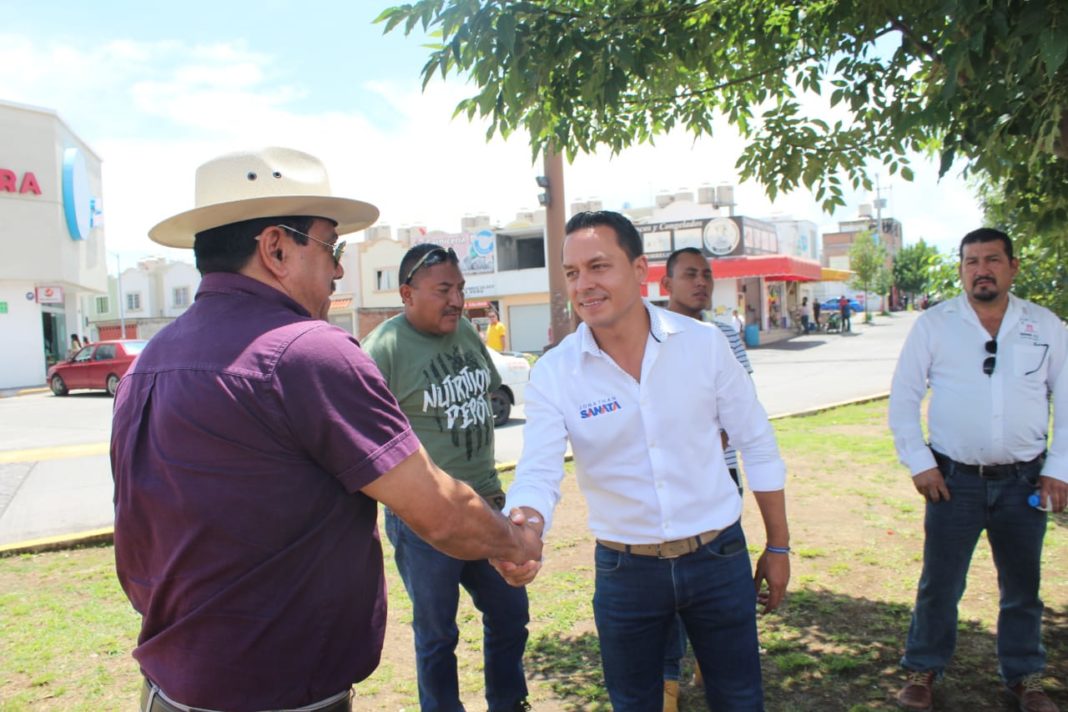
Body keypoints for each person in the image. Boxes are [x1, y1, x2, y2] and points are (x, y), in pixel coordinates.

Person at [110, 147, 542, 712]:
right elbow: (435, 508)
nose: (339, 269)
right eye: (330, 248)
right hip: (280, 693)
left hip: (172, 688)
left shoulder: (149, 360)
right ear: (276, 248)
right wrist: (516, 542)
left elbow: (135, 538)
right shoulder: (307, 351)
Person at [497, 210, 790, 711]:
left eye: (598, 267)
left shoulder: (703, 345)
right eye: (572, 273)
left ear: (638, 270)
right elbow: (539, 471)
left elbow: (756, 443)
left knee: (739, 698)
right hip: (625, 571)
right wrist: (525, 524)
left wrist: (778, 547)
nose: (584, 285)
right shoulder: (556, 372)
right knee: (634, 703)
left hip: (718, 557)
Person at [888, 228, 1066, 712]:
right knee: (940, 583)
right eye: (971, 262)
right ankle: (923, 669)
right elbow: (903, 398)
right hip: (953, 482)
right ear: (961, 269)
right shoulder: (935, 324)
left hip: (1025, 482)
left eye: (992, 260)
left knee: (1022, 586)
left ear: (1013, 266)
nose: (981, 270)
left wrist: (1060, 468)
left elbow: (1067, 399)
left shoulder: (1046, 325)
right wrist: (921, 463)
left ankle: (1025, 676)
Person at [362, 244, 531, 712]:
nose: (456, 300)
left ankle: (508, 702)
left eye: (460, 288)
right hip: (426, 520)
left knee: (510, 615)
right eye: (443, 290)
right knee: (437, 634)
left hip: (487, 506)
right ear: (407, 293)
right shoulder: (384, 348)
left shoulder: (465, 335)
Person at [658, 247, 757, 711]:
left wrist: (714, 443)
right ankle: (667, 680)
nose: (701, 283)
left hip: (722, 477)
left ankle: (710, 659)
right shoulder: (648, 336)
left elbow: (741, 405)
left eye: (707, 275)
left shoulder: (723, 335)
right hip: (670, 484)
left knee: (714, 579)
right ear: (665, 284)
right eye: (690, 275)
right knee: (667, 580)